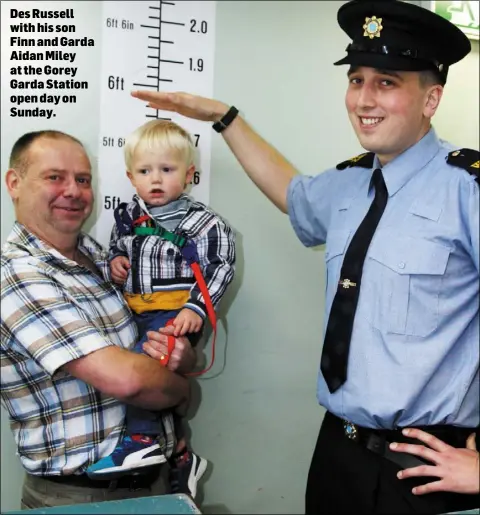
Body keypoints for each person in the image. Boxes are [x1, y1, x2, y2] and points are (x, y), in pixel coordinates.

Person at [131, 0, 479, 513]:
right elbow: (292, 194)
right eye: (356, 79)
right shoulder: (349, 184)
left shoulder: (466, 190)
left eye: (386, 82)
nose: (363, 99)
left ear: (431, 99)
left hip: (424, 469)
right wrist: (224, 119)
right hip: (338, 452)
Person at [1, 130, 197, 509]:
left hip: (154, 481)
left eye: (83, 179)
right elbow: (131, 381)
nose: (73, 191)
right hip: (79, 498)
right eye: (54, 177)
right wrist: (185, 389)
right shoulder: (16, 276)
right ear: (15, 183)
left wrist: (182, 358)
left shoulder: (101, 258)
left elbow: (159, 348)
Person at [86, 119, 236, 499]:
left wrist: (197, 310)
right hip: (135, 309)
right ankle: (181, 454)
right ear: (130, 176)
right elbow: (116, 253)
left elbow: (220, 268)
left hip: (176, 312)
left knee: (144, 368)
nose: (155, 179)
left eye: (167, 170)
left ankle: (140, 440)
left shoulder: (203, 222)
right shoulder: (128, 217)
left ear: (188, 174)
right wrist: (114, 264)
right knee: (153, 373)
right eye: (144, 171)